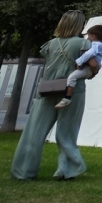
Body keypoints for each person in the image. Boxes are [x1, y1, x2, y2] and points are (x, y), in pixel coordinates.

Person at [11, 10, 91, 180]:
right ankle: (66, 171)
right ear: (79, 25)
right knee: (67, 133)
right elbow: (90, 71)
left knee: (33, 133)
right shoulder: (83, 44)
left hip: (47, 89)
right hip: (72, 92)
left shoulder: (50, 44)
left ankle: (23, 172)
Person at [54, 24, 102, 109]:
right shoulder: (100, 45)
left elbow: (89, 54)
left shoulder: (95, 45)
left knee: (72, 77)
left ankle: (67, 98)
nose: (87, 38)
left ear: (93, 36)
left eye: (88, 36)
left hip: (89, 67)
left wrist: (79, 62)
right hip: (93, 67)